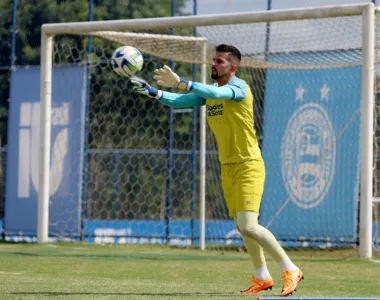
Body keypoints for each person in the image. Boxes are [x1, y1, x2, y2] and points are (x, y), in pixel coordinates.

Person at [129, 44, 304, 297]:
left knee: (250, 225)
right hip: (228, 166)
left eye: (220, 61)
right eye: (213, 60)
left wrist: (183, 82)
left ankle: (290, 269)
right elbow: (181, 101)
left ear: (233, 67)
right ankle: (261, 276)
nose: (214, 64)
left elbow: (209, 92)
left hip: (248, 165)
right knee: (242, 226)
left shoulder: (239, 88)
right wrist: (154, 93)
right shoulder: (210, 92)